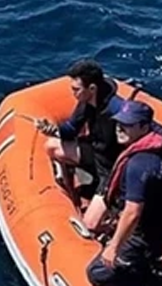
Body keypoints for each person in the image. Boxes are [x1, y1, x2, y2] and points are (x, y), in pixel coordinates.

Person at [84, 100, 162, 286]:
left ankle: (149, 282)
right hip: (160, 225)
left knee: (97, 274)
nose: (119, 128)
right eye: (119, 123)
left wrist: (114, 247)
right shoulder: (158, 142)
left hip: (143, 237)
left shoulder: (139, 164)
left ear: (144, 127)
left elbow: (133, 212)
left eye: (127, 125)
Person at [36, 60, 123, 196]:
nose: (73, 94)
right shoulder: (85, 103)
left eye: (76, 89)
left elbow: (143, 125)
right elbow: (71, 128)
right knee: (52, 146)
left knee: (92, 216)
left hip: (111, 163)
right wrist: (52, 129)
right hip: (95, 151)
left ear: (92, 88)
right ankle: (70, 193)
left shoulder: (116, 108)